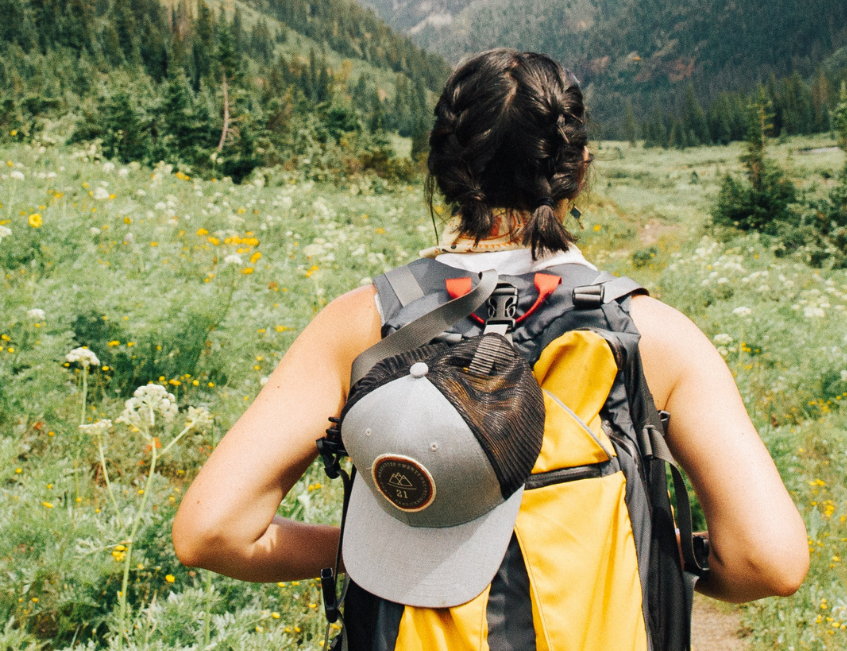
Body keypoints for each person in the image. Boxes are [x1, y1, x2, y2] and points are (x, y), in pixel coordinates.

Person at [172, 49, 808, 605]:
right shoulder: (653, 333)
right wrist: (640, 555)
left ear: (443, 171)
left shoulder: (363, 322)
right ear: (578, 169)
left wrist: (372, 553)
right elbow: (768, 562)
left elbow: (213, 532)